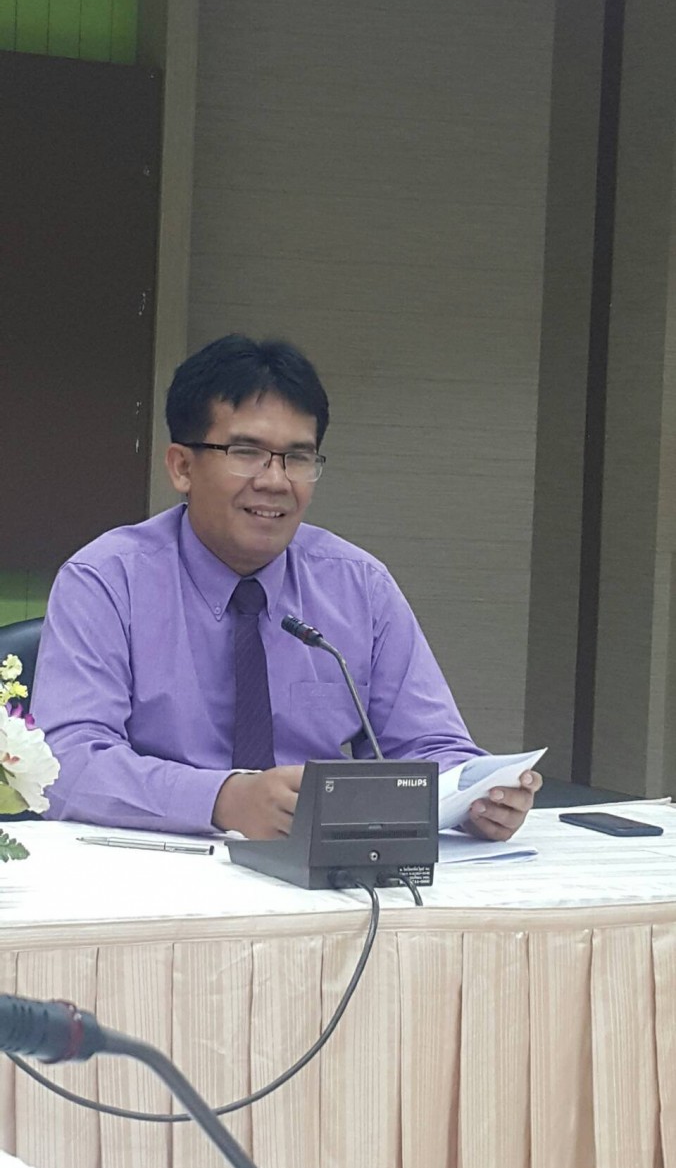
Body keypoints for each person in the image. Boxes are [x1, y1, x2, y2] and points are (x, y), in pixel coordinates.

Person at [32, 334, 541, 840]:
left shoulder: (358, 586)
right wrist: (224, 799)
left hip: (321, 868)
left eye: (297, 458)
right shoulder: (106, 580)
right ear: (182, 467)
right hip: (154, 863)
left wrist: (479, 796)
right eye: (246, 452)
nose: (276, 481)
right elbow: (65, 764)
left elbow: (428, 746)